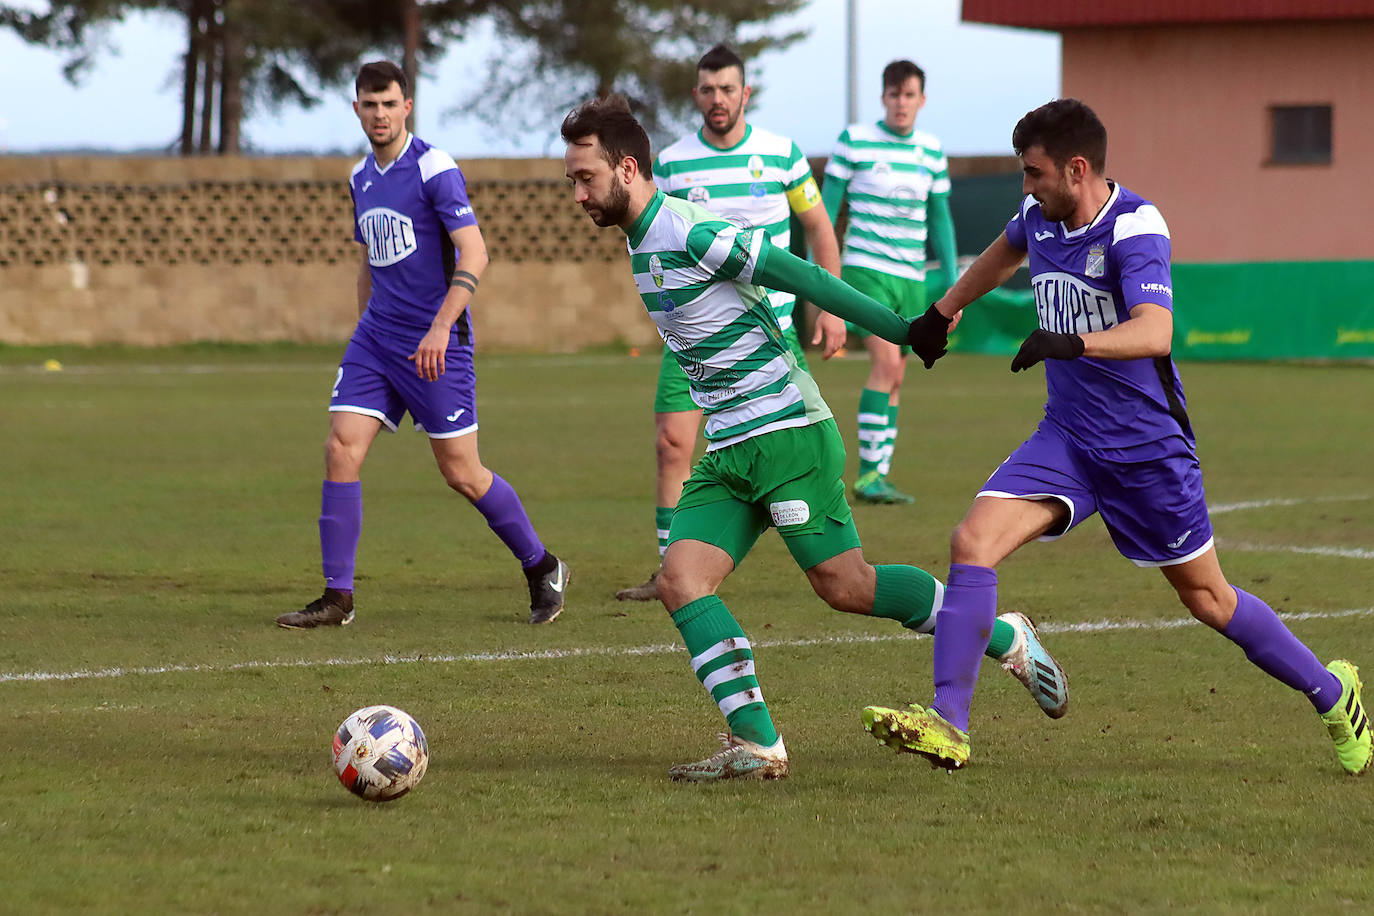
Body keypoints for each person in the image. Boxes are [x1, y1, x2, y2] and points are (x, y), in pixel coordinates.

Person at [561, 93, 1070, 781]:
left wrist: (904, 328)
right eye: (572, 180)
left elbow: (797, 274)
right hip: (731, 450)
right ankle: (758, 744)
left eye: (584, 178)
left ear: (626, 168)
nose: (578, 194)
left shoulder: (690, 230)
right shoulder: (640, 241)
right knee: (681, 581)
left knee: (847, 587)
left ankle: (1005, 634)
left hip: (789, 436)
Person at [863, 98, 1370, 775]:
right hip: (1068, 440)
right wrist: (942, 311)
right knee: (971, 543)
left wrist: (1070, 342)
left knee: (1209, 600)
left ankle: (1336, 695)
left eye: (1035, 174)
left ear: (1078, 170)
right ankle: (948, 723)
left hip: (1146, 451)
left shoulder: (1134, 225)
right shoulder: (1039, 217)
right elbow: (1003, 253)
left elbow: (1155, 331)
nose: (1026, 187)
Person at [276, 61, 569, 629]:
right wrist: (364, 331)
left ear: (406, 106)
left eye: (389, 103)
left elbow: (474, 253)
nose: (380, 114)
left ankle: (542, 566)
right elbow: (368, 260)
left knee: (462, 472)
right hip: (377, 341)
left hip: (437, 343)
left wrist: (439, 327)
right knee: (341, 447)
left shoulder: (434, 168)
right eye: (369, 104)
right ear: (356, 109)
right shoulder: (359, 177)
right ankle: (338, 597)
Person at [614, 44, 848, 602]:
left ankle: (813, 550)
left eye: (727, 89)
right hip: (694, 336)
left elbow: (818, 227)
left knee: (774, 448)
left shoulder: (782, 154)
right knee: (673, 442)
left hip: (769, 335)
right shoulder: (670, 162)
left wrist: (832, 305)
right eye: (707, 90)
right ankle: (670, 565)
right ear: (696, 95)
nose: (717, 99)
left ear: (745, 94)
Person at [822, 60, 959, 506]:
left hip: (911, 279)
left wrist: (954, 286)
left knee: (898, 375)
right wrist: (824, 279)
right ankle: (866, 477)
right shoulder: (854, 142)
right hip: (865, 272)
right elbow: (825, 212)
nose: (901, 103)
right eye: (894, 94)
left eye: (909, 95)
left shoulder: (932, 152)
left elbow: (940, 219)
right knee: (886, 367)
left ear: (922, 100)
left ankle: (879, 473)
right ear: (883, 97)